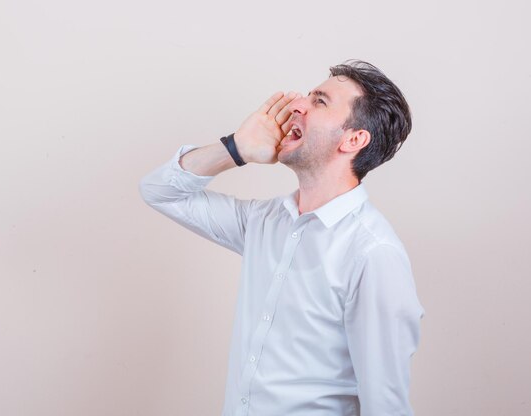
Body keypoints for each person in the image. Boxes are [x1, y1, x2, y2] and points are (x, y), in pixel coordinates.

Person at [139, 60, 425, 416]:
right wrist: (236, 149)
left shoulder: (372, 253)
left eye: (319, 101)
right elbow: (159, 191)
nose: (296, 106)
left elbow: (386, 405)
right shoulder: (265, 222)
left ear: (354, 139)